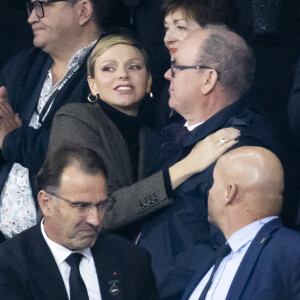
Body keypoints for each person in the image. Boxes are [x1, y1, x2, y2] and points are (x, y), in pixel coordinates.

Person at [48, 33, 240, 239]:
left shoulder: (154, 139)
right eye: (108, 68)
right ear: (92, 84)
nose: (122, 75)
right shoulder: (74, 118)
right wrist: (190, 164)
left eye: (134, 67)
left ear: (148, 81)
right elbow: (99, 213)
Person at [138, 26, 279, 299]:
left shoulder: (242, 157)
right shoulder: (170, 136)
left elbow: (234, 259)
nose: (167, 74)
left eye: (177, 67)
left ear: (208, 80)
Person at [0, 0, 115, 241]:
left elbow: (81, 158)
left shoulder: (114, 68)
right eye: (30, 7)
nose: (32, 18)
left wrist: (15, 139)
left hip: (60, 243)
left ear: (83, 11)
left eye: (42, 5)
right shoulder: (21, 66)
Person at [0, 145, 158, 300]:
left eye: (101, 205)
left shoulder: (132, 261)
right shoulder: (8, 266)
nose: (95, 220)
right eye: (81, 206)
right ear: (46, 203)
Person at [181, 146, 300, 300]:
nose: (209, 192)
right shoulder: (210, 264)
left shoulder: (292, 250)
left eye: (213, 183)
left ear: (229, 192)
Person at [155, 0, 234, 128]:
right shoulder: (167, 87)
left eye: (181, 27)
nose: (167, 38)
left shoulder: (230, 85)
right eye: (166, 28)